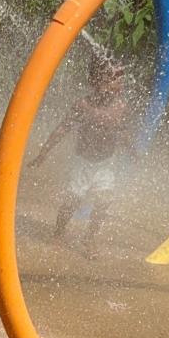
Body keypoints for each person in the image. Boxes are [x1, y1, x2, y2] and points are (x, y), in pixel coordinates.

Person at [33, 56, 129, 256]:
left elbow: (123, 132)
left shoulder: (121, 107)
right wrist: (44, 152)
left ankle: (90, 238)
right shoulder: (83, 105)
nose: (118, 83)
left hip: (106, 163)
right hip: (83, 162)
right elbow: (62, 128)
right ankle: (59, 232)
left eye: (119, 79)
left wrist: (133, 151)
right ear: (95, 81)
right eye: (112, 78)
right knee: (72, 200)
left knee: (104, 201)